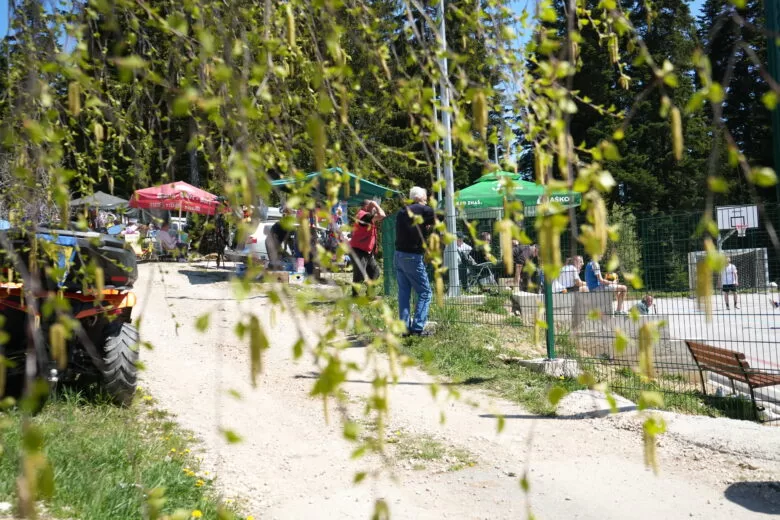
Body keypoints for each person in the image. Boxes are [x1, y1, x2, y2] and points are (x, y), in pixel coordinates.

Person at [395, 186, 436, 336]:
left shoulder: (401, 212)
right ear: (420, 198)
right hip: (412, 256)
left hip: (398, 255)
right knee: (425, 292)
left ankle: (404, 328)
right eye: (426, 198)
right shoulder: (423, 209)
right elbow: (439, 216)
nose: (426, 201)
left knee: (404, 292)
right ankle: (418, 328)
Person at [349, 199, 386, 296]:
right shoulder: (363, 215)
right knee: (360, 274)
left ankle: (369, 294)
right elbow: (382, 215)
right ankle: (354, 295)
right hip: (358, 250)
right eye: (373, 207)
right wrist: (375, 204)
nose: (374, 209)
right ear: (367, 207)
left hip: (366, 251)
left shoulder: (367, 217)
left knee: (375, 272)